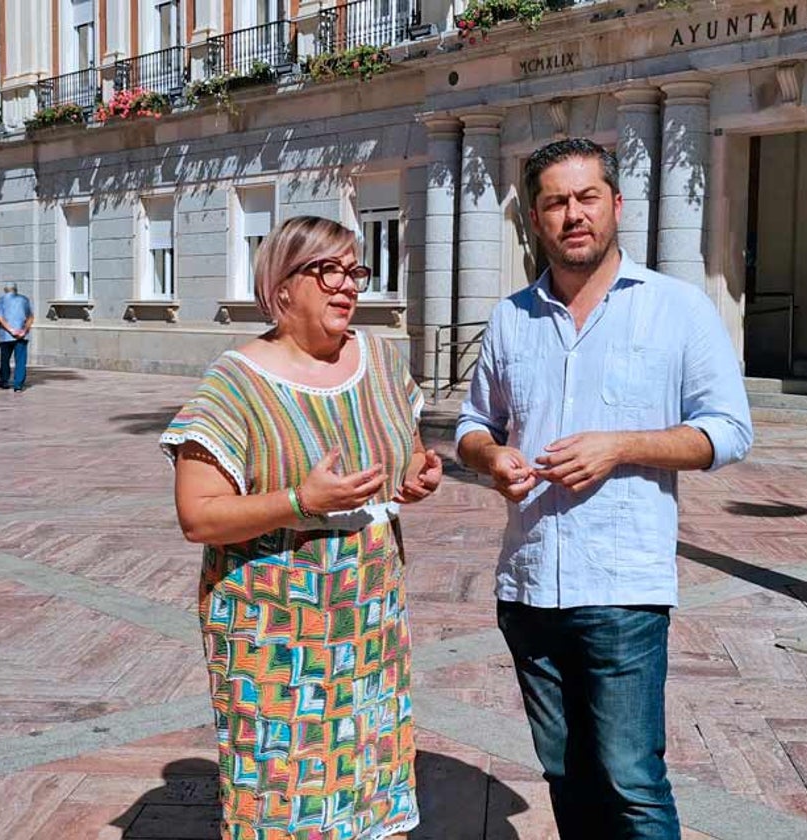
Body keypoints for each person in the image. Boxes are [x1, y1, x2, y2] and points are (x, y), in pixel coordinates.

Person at [455, 138, 753, 839]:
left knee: (631, 779)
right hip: (529, 589)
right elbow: (473, 425)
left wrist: (620, 446)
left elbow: (729, 430)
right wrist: (492, 458)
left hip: (621, 587)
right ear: (535, 219)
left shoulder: (676, 309)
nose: (573, 215)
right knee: (567, 776)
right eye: (556, 202)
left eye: (587, 197)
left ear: (616, 205)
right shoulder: (510, 318)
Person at [160, 216, 442, 840]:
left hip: (368, 617)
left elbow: (409, 456)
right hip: (274, 633)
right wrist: (298, 501)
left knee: (373, 771)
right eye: (329, 271)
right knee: (283, 793)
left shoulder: (383, 362)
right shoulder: (234, 383)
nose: (347, 286)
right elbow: (197, 515)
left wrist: (419, 477)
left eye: (355, 271)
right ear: (282, 287)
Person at [0, 282, 33, 391]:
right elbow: (30, 317)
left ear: (5, 290)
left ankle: (4, 381)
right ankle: (18, 385)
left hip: (6, 336)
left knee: (5, 359)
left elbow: (0, 317)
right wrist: (24, 331)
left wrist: (11, 330)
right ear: (16, 289)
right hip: (22, 335)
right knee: (20, 360)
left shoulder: (1, 300)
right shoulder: (24, 299)